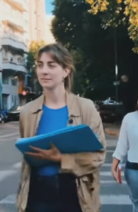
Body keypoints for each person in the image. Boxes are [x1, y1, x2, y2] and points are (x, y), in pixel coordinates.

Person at [16, 43, 106, 212]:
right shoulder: (28, 111)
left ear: (66, 71)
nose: (44, 71)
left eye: (51, 65)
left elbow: (98, 156)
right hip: (37, 192)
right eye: (40, 65)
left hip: (75, 191)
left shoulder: (85, 108)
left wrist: (60, 159)